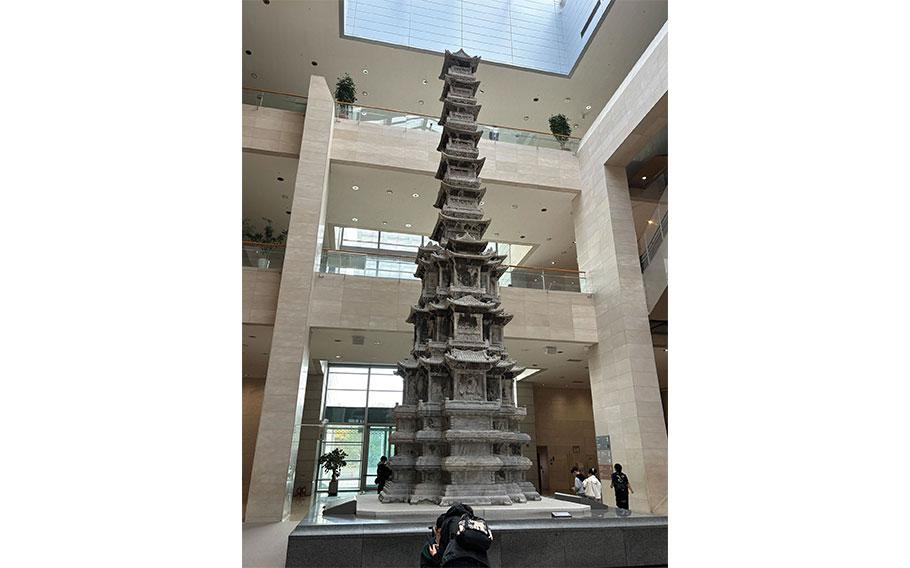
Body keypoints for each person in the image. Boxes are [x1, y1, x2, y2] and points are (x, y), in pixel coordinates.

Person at [421, 503, 490, 567]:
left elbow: (444, 547)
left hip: (456, 562)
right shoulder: (472, 523)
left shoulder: (448, 521)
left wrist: (436, 556)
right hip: (481, 562)